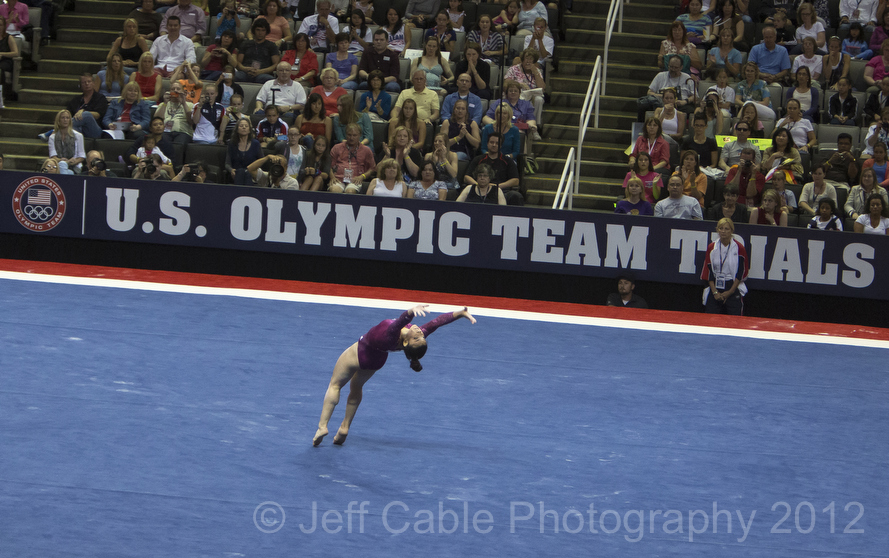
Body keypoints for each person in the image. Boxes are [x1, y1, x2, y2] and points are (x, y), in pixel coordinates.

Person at [312, 304, 476, 446]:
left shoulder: (391, 335)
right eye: (421, 335)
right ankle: (344, 428)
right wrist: (459, 314)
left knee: (335, 384)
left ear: (406, 343)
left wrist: (411, 312)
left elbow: (399, 322)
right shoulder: (412, 340)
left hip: (361, 351)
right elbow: (436, 323)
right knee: (356, 388)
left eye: (417, 336)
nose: (419, 331)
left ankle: (322, 427)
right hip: (377, 360)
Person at [701, 218, 748, 315]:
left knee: (735, 320)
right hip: (715, 286)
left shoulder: (739, 248)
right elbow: (708, 270)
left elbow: (741, 272)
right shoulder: (712, 247)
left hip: (733, 286)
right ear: (717, 230)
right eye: (721, 228)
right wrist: (714, 292)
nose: (723, 231)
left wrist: (730, 292)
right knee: (710, 318)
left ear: (731, 230)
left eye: (726, 229)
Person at [464, 134, 522, 205]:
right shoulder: (478, 159)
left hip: (501, 191)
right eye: (491, 142)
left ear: (500, 146)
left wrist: (496, 186)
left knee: (515, 195)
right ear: (487, 144)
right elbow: (467, 177)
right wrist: (478, 184)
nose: (494, 145)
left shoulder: (508, 161)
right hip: (479, 190)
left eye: (497, 143)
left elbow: (515, 180)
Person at [644, 56, 696, 121]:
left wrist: (685, 101)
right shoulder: (660, 75)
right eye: (671, 67)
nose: (673, 69)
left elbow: (694, 96)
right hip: (662, 103)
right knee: (644, 105)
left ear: (681, 67)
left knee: (691, 110)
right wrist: (662, 96)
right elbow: (649, 92)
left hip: (680, 105)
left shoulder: (687, 77)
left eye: (676, 67)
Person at [328, 123, 376, 193]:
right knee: (335, 190)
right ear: (345, 135)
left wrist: (362, 176)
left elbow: (372, 169)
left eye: (354, 135)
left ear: (359, 135)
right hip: (338, 178)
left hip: (355, 180)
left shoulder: (366, 150)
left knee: (350, 191)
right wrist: (332, 177)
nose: (351, 138)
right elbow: (328, 166)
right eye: (349, 135)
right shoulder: (337, 148)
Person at [155, 80, 194, 163]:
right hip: (165, 132)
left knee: (178, 145)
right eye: (173, 89)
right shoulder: (163, 104)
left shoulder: (189, 105)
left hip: (183, 132)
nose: (175, 91)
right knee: (162, 142)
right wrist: (165, 102)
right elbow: (157, 120)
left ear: (183, 92)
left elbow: (191, 122)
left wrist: (183, 103)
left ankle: (176, 167)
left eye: (178, 89)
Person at [65, 73, 110, 140]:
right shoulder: (76, 100)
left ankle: (57, 131)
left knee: (87, 115)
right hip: (79, 130)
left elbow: (98, 114)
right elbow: (68, 113)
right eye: (84, 82)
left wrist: (82, 111)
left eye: (89, 81)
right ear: (80, 85)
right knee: (71, 125)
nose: (87, 84)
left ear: (93, 83)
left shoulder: (100, 98)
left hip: (94, 131)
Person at [47, 110, 86, 174]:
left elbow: (81, 157)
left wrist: (71, 162)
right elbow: (53, 157)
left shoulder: (78, 136)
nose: (65, 120)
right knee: (62, 165)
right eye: (63, 118)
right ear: (58, 120)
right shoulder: (52, 137)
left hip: (75, 166)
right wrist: (64, 161)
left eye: (67, 118)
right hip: (58, 166)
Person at [226, 117, 262, 184]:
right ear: (237, 129)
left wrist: (255, 171)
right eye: (241, 126)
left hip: (252, 174)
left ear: (249, 130)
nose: (244, 127)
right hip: (236, 174)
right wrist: (231, 170)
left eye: (246, 126)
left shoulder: (256, 144)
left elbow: (261, 161)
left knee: (247, 173)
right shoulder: (232, 144)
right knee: (240, 172)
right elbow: (227, 163)